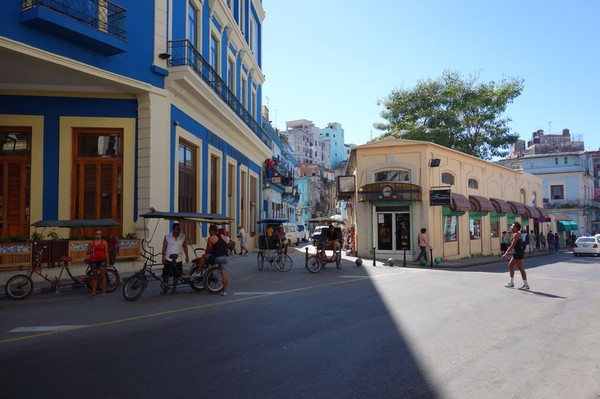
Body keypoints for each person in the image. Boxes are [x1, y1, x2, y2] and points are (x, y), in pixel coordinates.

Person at [192, 224, 230, 295]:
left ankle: (198, 272)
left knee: (204, 256)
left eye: (209, 231)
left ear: (211, 231)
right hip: (225, 258)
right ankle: (224, 291)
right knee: (224, 275)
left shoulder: (211, 238)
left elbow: (209, 249)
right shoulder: (224, 237)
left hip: (217, 257)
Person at [161, 222, 189, 295]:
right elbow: (164, 247)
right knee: (165, 275)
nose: (179, 231)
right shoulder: (167, 236)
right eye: (177, 229)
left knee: (176, 275)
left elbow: (185, 247)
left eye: (180, 229)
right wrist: (163, 256)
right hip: (168, 258)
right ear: (173, 229)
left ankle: (174, 288)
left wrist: (187, 256)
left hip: (178, 258)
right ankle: (165, 288)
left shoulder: (183, 236)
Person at [502, 221, 530, 290]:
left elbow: (512, 245)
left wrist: (505, 253)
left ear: (516, 228)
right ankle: (511, 283)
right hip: (516, 253)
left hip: (518, 253)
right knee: (510, 265)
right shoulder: (515, 234)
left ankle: (526, 285)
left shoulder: (516, 235)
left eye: (512, 226)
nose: (511, 227)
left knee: (521, 269)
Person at [86, 229, 110, 297]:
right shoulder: (91, 242)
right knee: (94, 277)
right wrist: (91, 251)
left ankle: (103, 291)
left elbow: (106, 253)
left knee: (103, 276)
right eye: (97, 234)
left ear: (101, 235)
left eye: (100, 234)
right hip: (94, 261)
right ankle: (93, 292)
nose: (98, 235)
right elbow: (87, 252)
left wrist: (107, 262)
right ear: (94, 235)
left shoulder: (104, 242)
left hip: (102, 260)